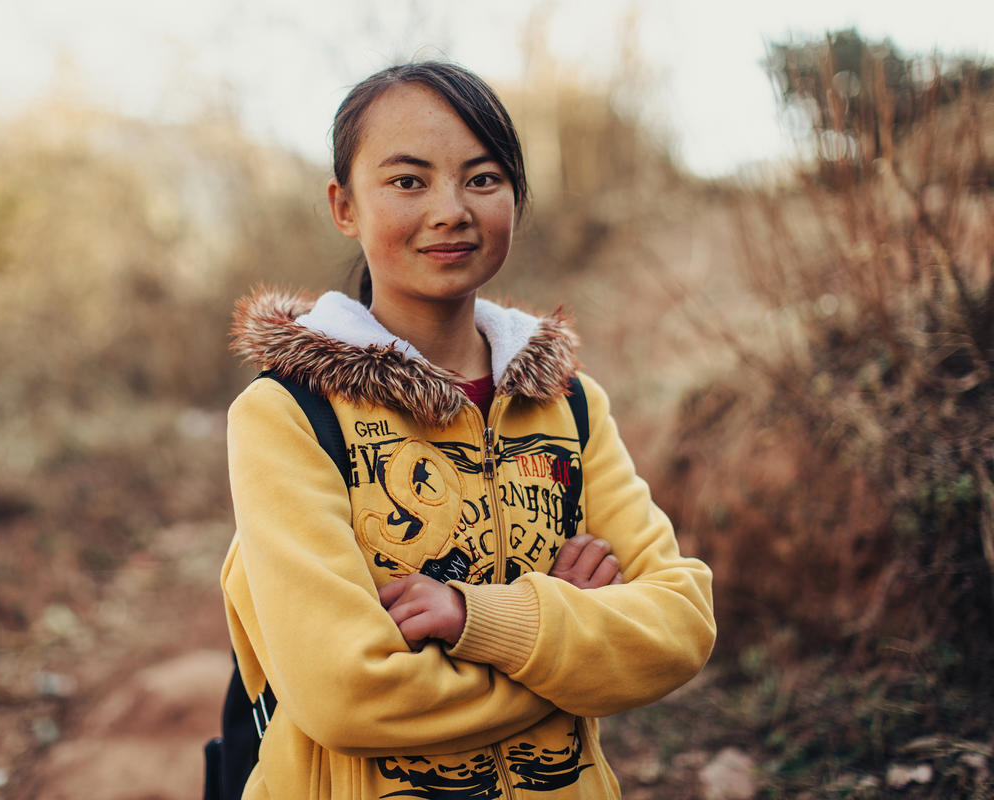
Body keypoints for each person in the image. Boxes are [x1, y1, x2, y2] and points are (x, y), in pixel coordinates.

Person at [221, 61, 715, 799]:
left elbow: (679, 624)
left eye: (482, 179)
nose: (451, 209)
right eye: (408, 181)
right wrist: (570, 651)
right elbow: (347, 694)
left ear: (516, 197)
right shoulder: (288, 413)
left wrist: (475, 618)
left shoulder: (570, 404)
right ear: (343, 205)